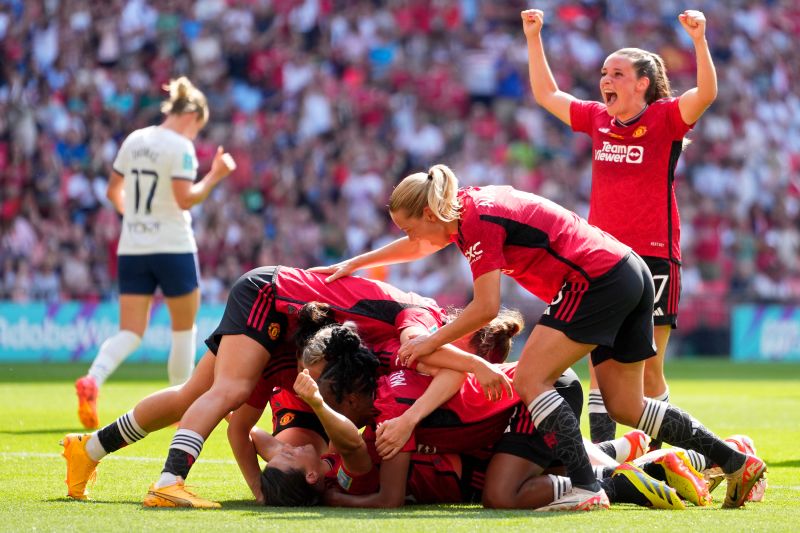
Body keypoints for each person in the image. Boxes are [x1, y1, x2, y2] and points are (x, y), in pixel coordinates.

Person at [313, 166, 766, 509]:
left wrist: (430, 344)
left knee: (529, 379)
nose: (409, 238)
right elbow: (421, 243)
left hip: (595, 281)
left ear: (430, 213)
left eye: (409, 226)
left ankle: (588, 486)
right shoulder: (468, 208)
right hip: (626, 272)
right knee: (625, 406)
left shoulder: (475, 224)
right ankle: (734, 461)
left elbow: (486, 309)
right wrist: (356, 264)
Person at [59, 266, 508, 506]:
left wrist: (259, 490)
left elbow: (249, 431)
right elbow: (425, 350)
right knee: (229, 392)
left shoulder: (365, 346)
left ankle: (89, 449)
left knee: (189, 395)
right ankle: (170, 481)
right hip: (267, 297)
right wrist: (474, 367)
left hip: (276, 310)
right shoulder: (419, 317)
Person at [520, 8, 718, 445]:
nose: (605, 80)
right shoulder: (597, 119)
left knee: (649, 370)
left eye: (616, 73)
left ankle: (664, 456)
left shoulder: (665, 118)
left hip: (654, 256)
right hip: (603, 260)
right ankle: (607, 460)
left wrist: (699, 40)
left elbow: (705, 92)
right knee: (597, 363)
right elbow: (546, 93)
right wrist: (534, 38)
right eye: (604, 73)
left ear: (642, 83)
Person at [227, 303, 523, 503]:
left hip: (506, 412)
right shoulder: (345, 473)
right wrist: (317, 404)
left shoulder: (392, 391)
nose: (286, 449)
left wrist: (219, 410)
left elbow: (263, 441)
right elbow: (352, 449)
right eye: (289, 456)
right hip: (476, 461)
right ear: (312, 475)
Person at [74, 76, 236, 430]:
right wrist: (215, 176)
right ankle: (179, 405)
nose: (194, 135)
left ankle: (92, 379)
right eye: (197, 128)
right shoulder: (179, 147)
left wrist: (134, 219)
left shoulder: (135, 139)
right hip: (173, 247)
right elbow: (184, 199)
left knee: (130, 331)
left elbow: (112, 191)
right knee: (183, 329)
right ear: (192, 116)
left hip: (133, 246)